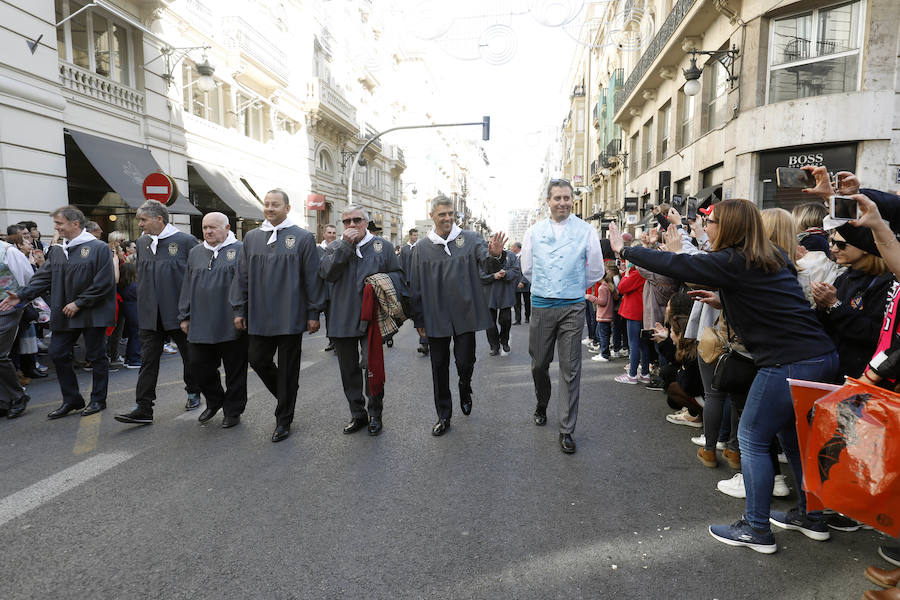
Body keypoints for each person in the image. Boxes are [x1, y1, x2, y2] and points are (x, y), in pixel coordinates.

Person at [609, 198, 838, 554]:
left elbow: (676, 262)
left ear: (728, 227)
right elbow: (766, 300)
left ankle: (757, 528)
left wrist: (626, 249)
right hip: (819, 357)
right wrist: (721, 302)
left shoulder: (736, 259)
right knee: (794, 441)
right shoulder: (769, 255)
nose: (708, 226)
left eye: (712, 221)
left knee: (751, 437)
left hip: (787, 363)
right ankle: (812, 516)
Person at [0, 206, 116, 418]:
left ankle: (98, 399)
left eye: (59, 224)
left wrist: (79, 302)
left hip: (92, 312)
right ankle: (72, 399)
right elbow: (43, 277)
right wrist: (21, 295)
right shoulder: (59, 250)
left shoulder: (99, 248)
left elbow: (105, 283)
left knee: (97, 356)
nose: (56, 228)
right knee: (58, 353)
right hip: (65, 311)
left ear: (75, 224)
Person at [230, 189, 325, 442]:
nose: (270, 208)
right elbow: (242, 276)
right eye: (267, 204)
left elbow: (312, 279)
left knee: (288, 368)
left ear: (287, 208)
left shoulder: (303, 238)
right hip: (259, 315)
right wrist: (239, 308)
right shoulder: (251, 238)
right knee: (257, 359)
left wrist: (313, 312)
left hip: (291, 316)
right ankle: (286, 395)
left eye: (275, 204)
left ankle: (283, 419)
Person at [408, 194, 507, 436]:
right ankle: (444, 415)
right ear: (432, 216)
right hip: (435, 316)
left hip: (464, 314)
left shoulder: (471, 238)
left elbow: (487, 263)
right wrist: (418, 319)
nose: (448, 218)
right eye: (442, 214)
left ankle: (465, 385)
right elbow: (415, 287)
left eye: (451, 214)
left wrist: (494, 254)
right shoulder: (421, 248)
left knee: (465, 362)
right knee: (438, 367)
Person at [520, 178, 604, 454]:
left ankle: (567, 429)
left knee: (571, 368)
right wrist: (548, 286)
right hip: (542, 305)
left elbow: (595, 270)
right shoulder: (533, 231)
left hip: (573, 306)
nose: (563, 203)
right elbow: (528, 268)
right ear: (548, 202)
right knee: (539, 364)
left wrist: (572, 286)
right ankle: (541, 401)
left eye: (567, 198)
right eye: (558, 198)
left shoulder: (587, 230)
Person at [114, 200, 201, 426]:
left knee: (190, 358)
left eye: (143, 220)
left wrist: (190, 311)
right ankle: (143, 407)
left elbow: (196, 278)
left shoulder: (185, 241)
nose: (139, 224)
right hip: (150, 315)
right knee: (148, 362)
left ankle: (193, 391)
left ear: (159, 219)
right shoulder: (142, 243)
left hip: (179, 313)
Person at [319, 205, 404, 436]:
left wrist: (380, 281)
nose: (352, 225)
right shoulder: (335, 247)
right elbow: (327, 273)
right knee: (348, 371)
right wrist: (346, 246)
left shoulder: (382, 246)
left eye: (357, 220)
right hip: (341, 318)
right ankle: (357, 414)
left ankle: (376, 414)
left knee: (372, 367)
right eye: (346, 221)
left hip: (373, 319)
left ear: (366, 222)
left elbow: (398, 276)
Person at [178, 212, 247, 429]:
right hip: (200, 321)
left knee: (235, 370)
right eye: (205, 227)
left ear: (227, 228)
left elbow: (246, 284)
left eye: (213, 227)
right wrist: (184, 315)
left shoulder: (241, 250)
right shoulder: (195, 252)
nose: (208, 231)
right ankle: (215, 399)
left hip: (231, 320)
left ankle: (233, 410)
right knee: (198, 364)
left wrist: (242, 312)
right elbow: (187, 285)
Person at [0, 233, 35, 419]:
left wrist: (20, 300)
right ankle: (5, 400)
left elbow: (28, 278)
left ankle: (17, 395)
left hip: (6, 307)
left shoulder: (8, 251)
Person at [481, 245, 520, 356]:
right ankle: (494, 346)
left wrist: (506, 273)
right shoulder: (483, 256)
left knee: (505, 320)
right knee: (489, 323)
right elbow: (479, 274)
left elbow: (516, 271)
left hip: (505, 293)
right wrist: (493, 276)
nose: (494, 245)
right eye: (491, 242)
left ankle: (504, 341)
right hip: (488, 294)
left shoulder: (510, 255)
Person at [400, 228, 429, 356]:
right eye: (414, 235)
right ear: (410, 236)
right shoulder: (404, 250)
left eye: (418, 235)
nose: (416, 237)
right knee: (414, 314)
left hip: (421, 284)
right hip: (408, 286)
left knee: (422, 313)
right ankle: (425, 339)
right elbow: (400, 267)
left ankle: (424, 342)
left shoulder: (421, 248)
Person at [318, 224, 337, 353]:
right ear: (324, 234)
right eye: (329, 232)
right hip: (323, 289)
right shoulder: (317, 250)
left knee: (336, 315)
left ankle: (337, 341)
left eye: (334, 233)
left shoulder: (339, 248)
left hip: (337, 289)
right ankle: (331, 340)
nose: (332, 235)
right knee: (328, 316)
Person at [511, 241, 531, 325]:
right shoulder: (513, 257)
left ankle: (527, 317)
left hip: (525, 284)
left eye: (513, 247)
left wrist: (523, 281)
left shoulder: (524, 256)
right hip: (515, 284)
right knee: (516, 303)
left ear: (517, 248)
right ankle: (517, 320)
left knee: (527, 302)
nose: (512, 248)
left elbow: (527, 269)